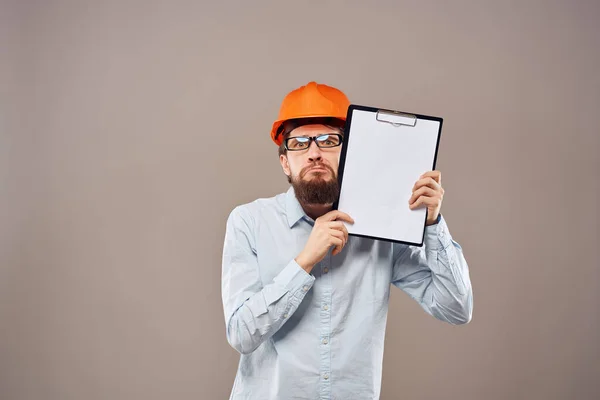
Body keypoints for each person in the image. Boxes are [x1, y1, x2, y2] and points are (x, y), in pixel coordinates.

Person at [221, 81, 473, 400]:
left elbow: (456, 307)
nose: (314, 154)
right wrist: (305, 261)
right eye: (299, 143)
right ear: (285, 161)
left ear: (353, 150)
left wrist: (433, 224)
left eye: (329, 140)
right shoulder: (249, 222)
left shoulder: (384, 232)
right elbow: (242, 335)